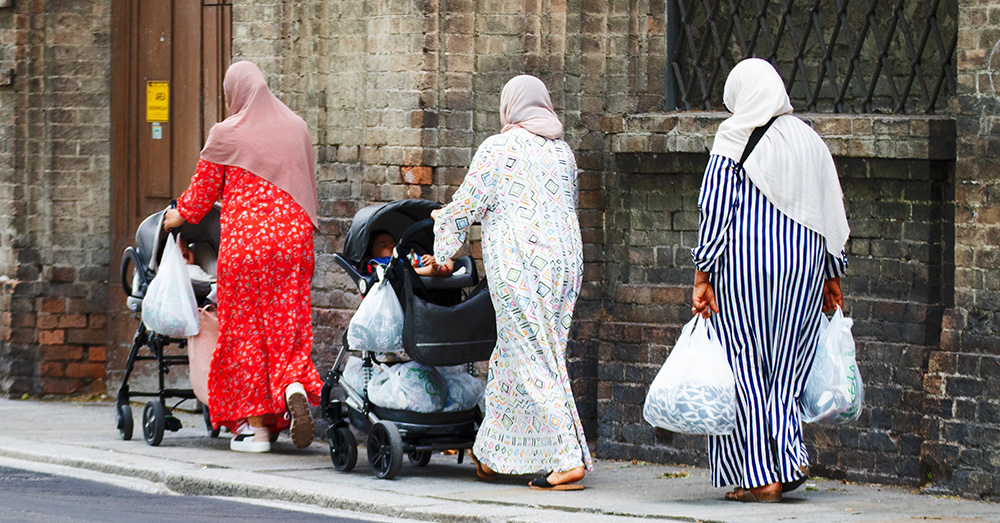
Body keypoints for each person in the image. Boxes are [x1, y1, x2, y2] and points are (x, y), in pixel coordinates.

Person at [690, 58, 849, 502]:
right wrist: (833, 275)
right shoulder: (810, 141)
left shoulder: (735, 136)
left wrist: (703, 273)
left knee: (746, 369)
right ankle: (788, 458)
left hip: (746, 269)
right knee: (784, 371)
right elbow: (831, 211)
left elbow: (716, 210)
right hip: (806, 269)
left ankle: (763, 476)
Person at [431, 74, 592, 490]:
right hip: (564, 265)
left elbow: (465, 206)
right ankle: (493, 454)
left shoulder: (498, 149)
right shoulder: (563, 153)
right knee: (516, 353)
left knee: (532, 357)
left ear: (509, 106)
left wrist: (443, 243)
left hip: (520, 264)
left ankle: (568, 457)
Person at [163, 61, 323, 453]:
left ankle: (257, 431)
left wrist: (173, 218)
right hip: (293, 242)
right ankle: (294, 384)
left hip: (248, 247)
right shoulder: (297, 127)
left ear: (234, 92)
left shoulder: (226, 134)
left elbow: (198, 201)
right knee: (287, 328)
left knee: (247, 337)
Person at [364, 230, 454, 277]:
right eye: (384, 245)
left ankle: (441, 267)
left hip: (418, 266)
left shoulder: (405, 255)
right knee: (405, 272)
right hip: (407, 274)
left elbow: (420, 260)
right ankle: (435, 271)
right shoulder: (379, 261)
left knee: (447, 259)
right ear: (370, 255)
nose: (391, 246)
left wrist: (430, 259)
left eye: (393, 243)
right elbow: (380, 271)